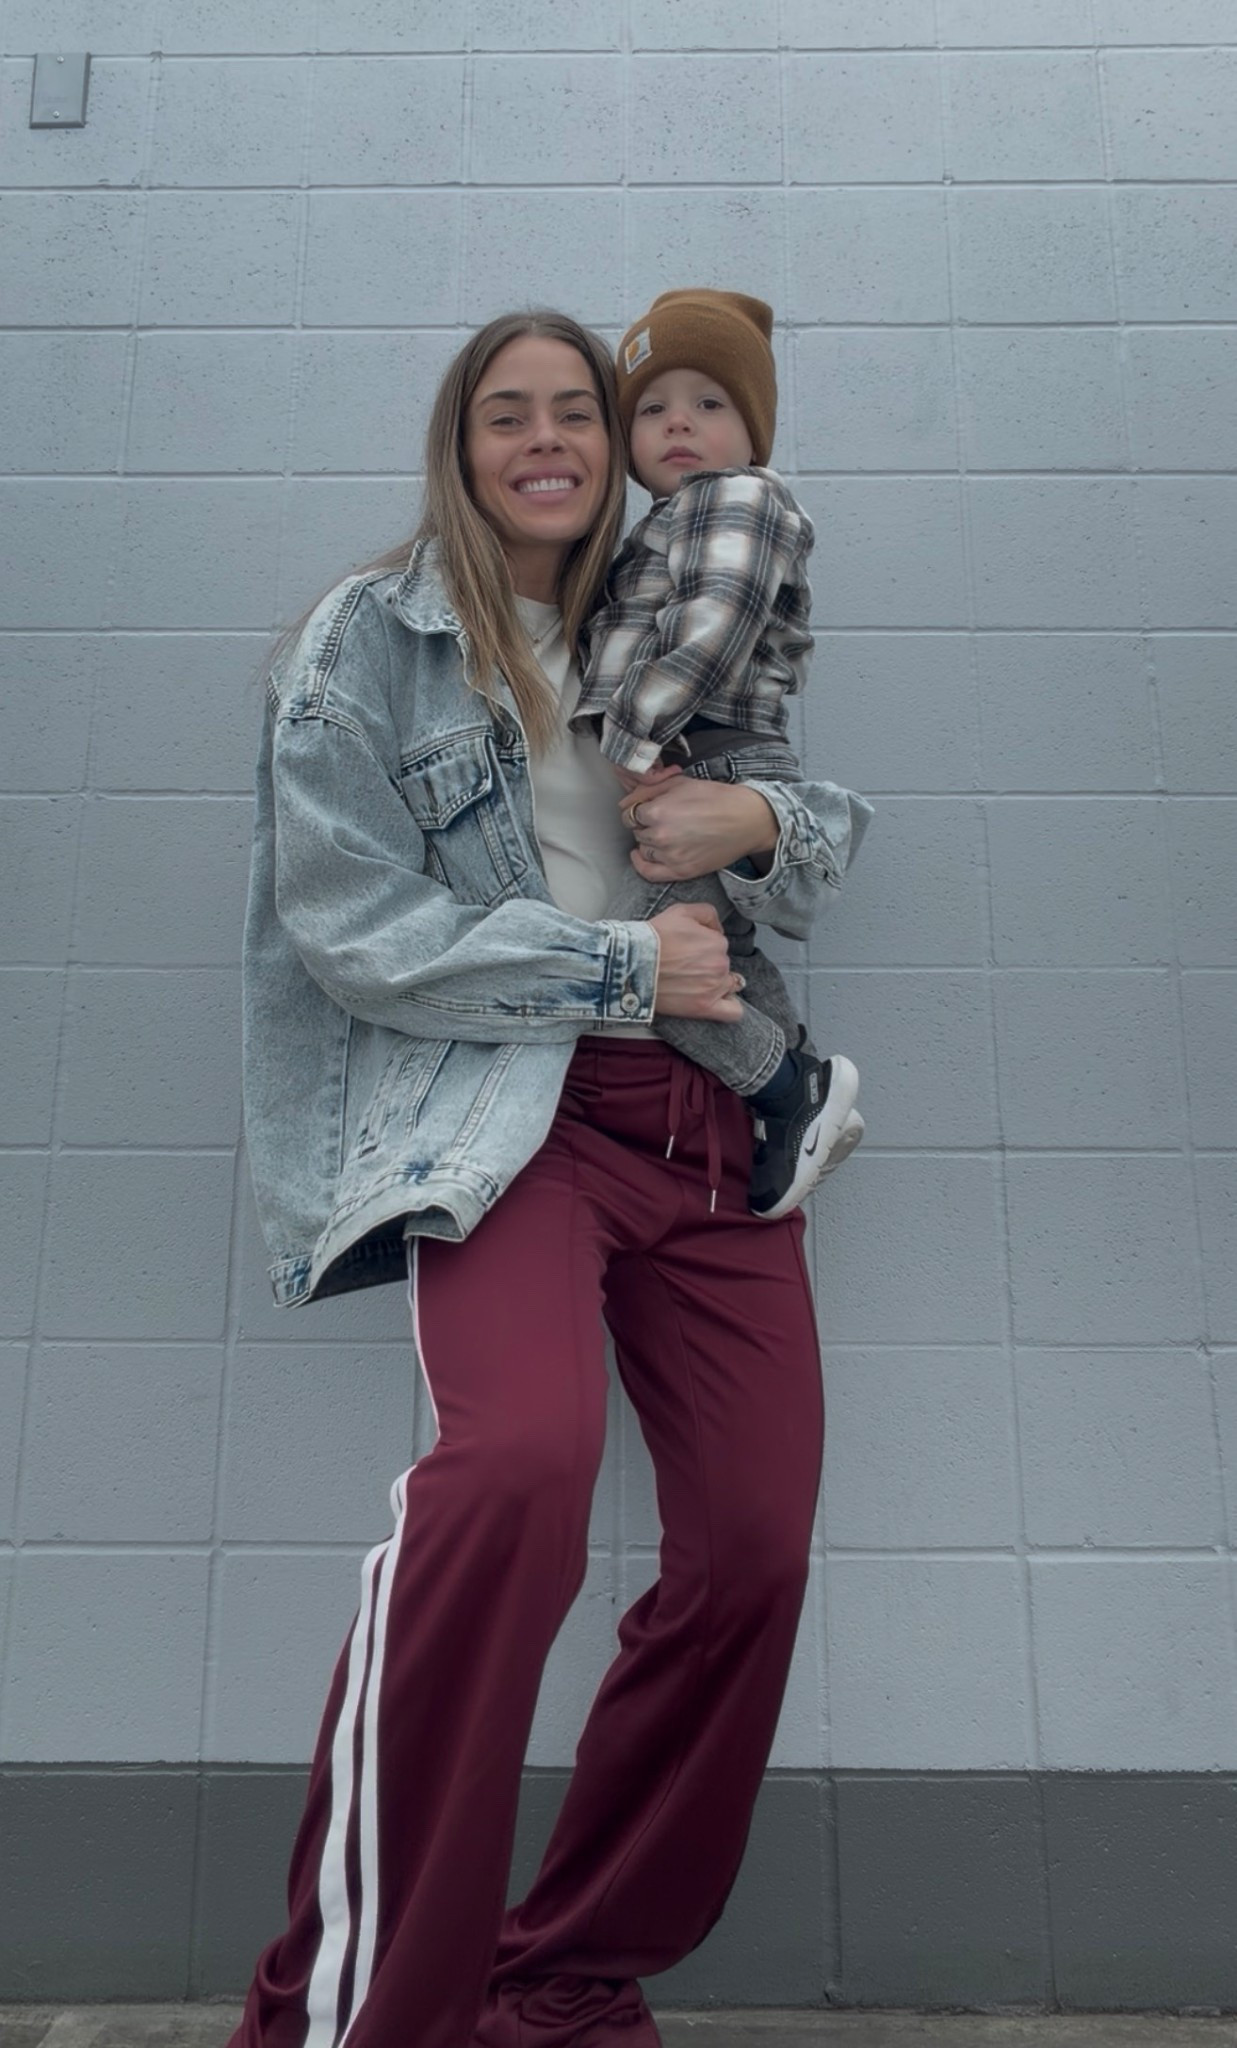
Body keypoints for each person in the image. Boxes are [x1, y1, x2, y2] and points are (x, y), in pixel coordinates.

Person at [232, 309, 872, 2048]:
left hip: (719, 1119)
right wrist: (612, 970)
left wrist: (762, 828)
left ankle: (565, 1968)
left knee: (749, 1540)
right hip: (514, 1115)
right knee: (511, 1470)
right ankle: (349, 2011)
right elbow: (353, 927)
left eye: (571, 409)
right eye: (503, 412)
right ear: (460, 443)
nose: (545, 437)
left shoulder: (676, 598)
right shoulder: (370, 642)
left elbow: (820, 829)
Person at [575, 288, 863, 1224]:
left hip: (710, 758)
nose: (677, 425)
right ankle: (803, 1081)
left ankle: (784, 1090)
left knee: (639, 967)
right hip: (699, 758)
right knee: (712, 946)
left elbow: (713, 630)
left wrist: (627, 740)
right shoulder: (671, 519)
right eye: (652, 408)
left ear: (753, 428)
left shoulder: (736, 499)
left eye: (708, 404)